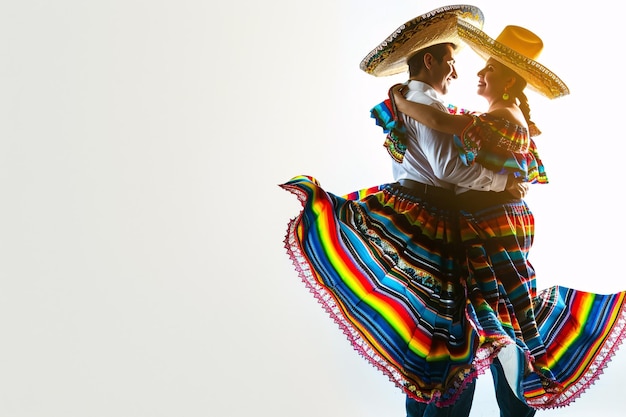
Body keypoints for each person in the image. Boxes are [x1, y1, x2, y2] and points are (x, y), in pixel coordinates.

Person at [281, 4, 528, 414]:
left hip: (418, 211)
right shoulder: (424, 102)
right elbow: (449, 168)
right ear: (429, 60)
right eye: (450, 62)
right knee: (452, 337)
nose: (456, 72)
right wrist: (502, 181)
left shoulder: (410, 100)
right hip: (433, 218)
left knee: (434, 334)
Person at [385, 21, 626, 412]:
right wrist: (407, 100)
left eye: (489, 69)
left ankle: (519, 397)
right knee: (490, 314)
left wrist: (403, 102)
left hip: (495, 221)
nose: (476, 74)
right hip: (486, 218)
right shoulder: (497, 115)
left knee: (500, 314)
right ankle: (513, 398)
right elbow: (448, 122)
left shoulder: (505, 116)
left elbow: (444, 123)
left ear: (510, 83)